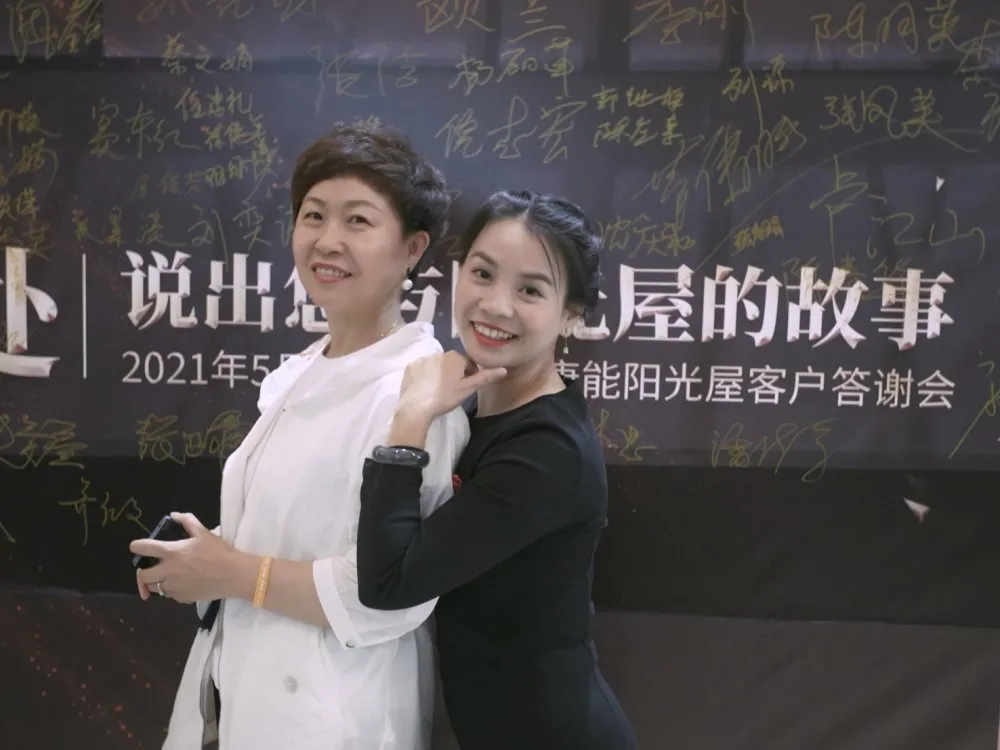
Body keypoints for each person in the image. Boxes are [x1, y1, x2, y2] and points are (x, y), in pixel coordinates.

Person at [128, 125, 493, 750]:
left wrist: (231, 572)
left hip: (337, 716)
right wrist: (202, 560)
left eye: (358, 221)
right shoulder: (302, 371)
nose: (327, 240)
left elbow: (391, 596)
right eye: (313, 215)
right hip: (243, 693)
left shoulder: (420, 395)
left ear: (412, 248)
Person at [355, 190, 640, 749]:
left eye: (530, 289)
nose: (496, 305)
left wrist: (410, 417)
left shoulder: (548, 451)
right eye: (482, 274)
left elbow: (388, 582)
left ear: (571, 313)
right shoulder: (475, 409)